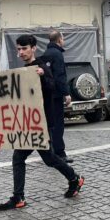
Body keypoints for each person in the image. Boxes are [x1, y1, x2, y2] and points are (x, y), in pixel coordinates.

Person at [0, 34, 84, 211]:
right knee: (23, 157)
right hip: (28, 123)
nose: (21, 52)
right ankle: (19, 196)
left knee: (48, 158)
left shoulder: (42, 67)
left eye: (24, 48)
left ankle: (74, 178)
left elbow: (52, 88)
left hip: (40, 123)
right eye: (18, 49)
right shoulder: (23, 71)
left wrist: (44, 76)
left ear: (33, 48)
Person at [41, 30, 72, 162]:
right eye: (63, 38)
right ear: (59, 40)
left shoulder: (45, 54)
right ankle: (60, 153)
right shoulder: (57, 54)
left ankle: (51, 152)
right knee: (58, 124)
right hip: (56, 95)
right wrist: (66, 93)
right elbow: (60, 76)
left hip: (47, 94)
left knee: (50, 125)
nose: (63, 41)